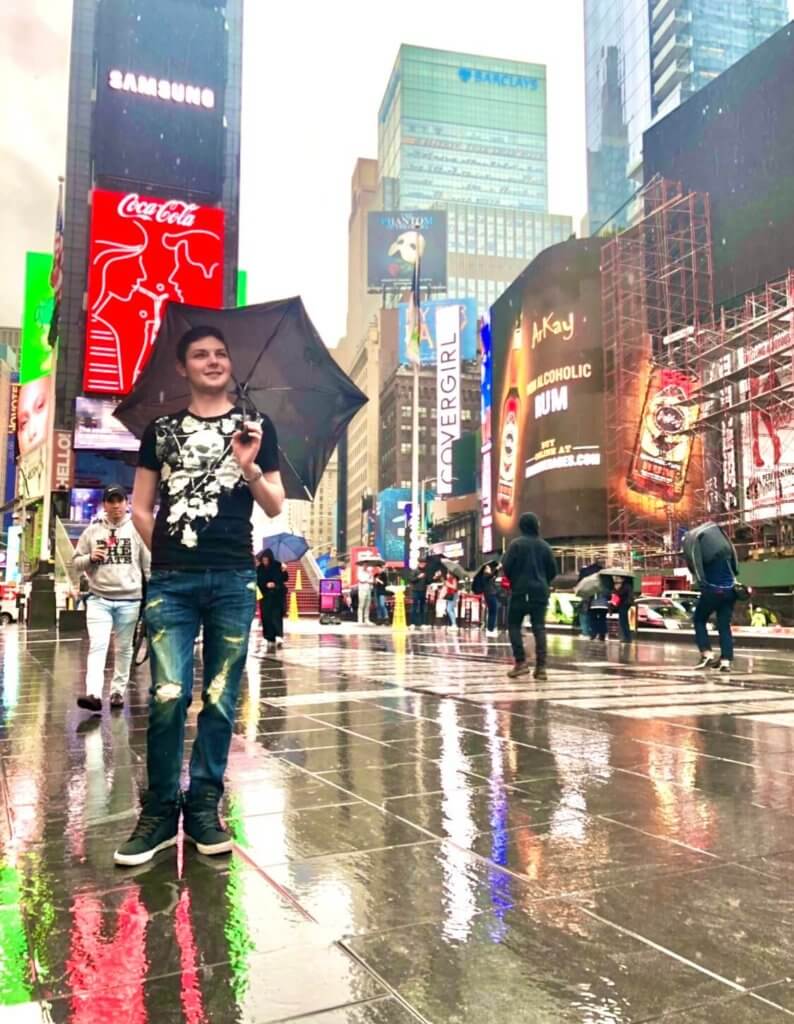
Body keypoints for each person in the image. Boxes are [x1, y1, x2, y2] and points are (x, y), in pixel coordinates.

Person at [114, 325, 284, 867]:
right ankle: (162, 810)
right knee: (167, 696)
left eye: (220, 354)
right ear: (183, 368)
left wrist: (249, 465)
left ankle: (205, 802)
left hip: (234, 578)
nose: (212, 361)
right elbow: (142, 507)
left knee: (219, 698)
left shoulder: (254, 428)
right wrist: (164, 551)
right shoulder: (160, 429)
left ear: (230, 364)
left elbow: (276, 504)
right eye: (199, 355)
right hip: (173, 583)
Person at [72, 485, 150, 712]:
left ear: (126, 504)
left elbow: (148, 566)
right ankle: (93, 694)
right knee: (98, 645)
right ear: (104, 504)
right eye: (111, 501)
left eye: (119, 501)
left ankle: (117, 692)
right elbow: (75, 564)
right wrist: (89, 558)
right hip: (99, 599)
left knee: (125, 648)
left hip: (130, 599)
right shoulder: (92, 531)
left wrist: (153, 595)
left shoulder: (137, 529)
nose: (115, 506)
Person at [502, 513, 558, 680]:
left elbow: (506, 567)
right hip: (540, 592)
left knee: (513, 626)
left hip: (520, 591)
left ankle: (521, 663)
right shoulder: (545, 546)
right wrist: (542, 581)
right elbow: (553, 571)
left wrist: (516, 580)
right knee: (539, 627)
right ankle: (541, 668)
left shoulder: (516, 545)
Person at [683, 521, 740, 672]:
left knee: (699, 619)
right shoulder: (724, 544)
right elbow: (735, 566)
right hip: (731, 591)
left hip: (713, 590)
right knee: (724, 625)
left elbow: (696, 563)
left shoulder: (695, 539)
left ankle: (706, 653)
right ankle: (726, 660)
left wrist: (701, 583)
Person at [257, 549, 288, 649]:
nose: (265, 561)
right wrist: (266, 585)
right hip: (265, 596)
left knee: (276, 616)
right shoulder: (259, 568)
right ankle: (269, 637)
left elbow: (285, 578)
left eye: (266, 559)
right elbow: (257, 581)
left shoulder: (278, 565)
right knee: (266, 617)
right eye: (263, 560)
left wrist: (284, 571)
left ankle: (279, 635)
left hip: (277, 595)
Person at [576, 560, 602, 638]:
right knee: (595, 616)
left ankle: (585, 632)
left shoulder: (585, 573)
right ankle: (595, 633)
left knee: (584, 614)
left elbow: (579, 582)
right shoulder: (601, 573)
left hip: (586, 596)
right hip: (598, 597)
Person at [613, 576, 635, 641]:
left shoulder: (625, 586)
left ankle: (627, 637)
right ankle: (627, 637)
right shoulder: (628, 585)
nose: (618, 579)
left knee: (623, 622)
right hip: (625, 605)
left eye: (619, 578)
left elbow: (620, 594)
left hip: (624, 605)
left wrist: (616, 589)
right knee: (624, 621)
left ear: (623, 579)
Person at [409, 558, 429, 629]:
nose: (423, 565)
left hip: (423, 591)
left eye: (424, 563)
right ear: (419, 563)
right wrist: (418, 577)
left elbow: (427, 581)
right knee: (414, 607)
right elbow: (411, 580)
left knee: (422, 607)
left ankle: (422, 623)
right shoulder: (414, 571)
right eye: (421, 563)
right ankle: (412, 623)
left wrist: (435, 577)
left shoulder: (426, 572)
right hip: (415, 591)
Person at [482, 564, 499, 638]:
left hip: (490, 595)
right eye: (488, 568)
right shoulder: (485, 576)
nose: (490, 569)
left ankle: (490, 629)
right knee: (493, 612)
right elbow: (492, 575)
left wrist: (497, 570)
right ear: (485, 570)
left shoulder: (487, 577)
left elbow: (494, 575)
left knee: (492, 612)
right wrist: (497, 568)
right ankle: (490, 630)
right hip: (490, 595)